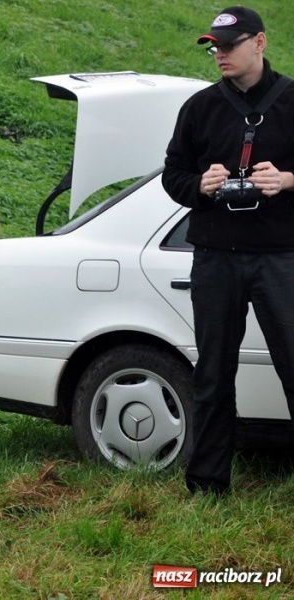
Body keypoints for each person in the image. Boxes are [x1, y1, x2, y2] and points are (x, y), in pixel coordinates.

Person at [162, 6, 294, 496]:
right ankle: (207, 485)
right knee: (213, 373)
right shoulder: (199, 108)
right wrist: (201, 184)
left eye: (230, 44)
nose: (220, 54)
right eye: (214, 47)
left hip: (281, 257)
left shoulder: (292, 99)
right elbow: (173, 175)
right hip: (216, 256)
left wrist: (286, 180)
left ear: (259, 43)